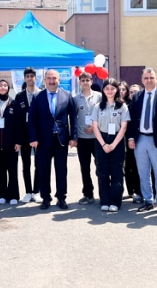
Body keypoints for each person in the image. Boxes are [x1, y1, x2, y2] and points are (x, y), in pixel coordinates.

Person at [28, 69, 78, 210]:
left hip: (61, 140)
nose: (51, 81)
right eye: (49, 78)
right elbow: (31, 119)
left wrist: (74, 137)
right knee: (43, 170)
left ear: (59, 80)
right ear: (45, 80)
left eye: (54, 78)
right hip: (43, 141)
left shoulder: (67, 96)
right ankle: (46, 198)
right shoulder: (38, 97)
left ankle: (61, 198)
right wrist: (33, 138)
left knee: (61, 170)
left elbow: (73, 118)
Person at [127, 68, 157, 214]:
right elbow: (132, 119)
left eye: (151, 78)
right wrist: (131, 137)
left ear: (156, 78)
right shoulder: (137, 96)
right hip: (140, 139)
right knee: (143, 172)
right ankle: (148, 200)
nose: (149, 80)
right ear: (142, 80)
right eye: (146, 78)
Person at [92, 78, 130, 212]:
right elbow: (95, 127)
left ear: (117, 90)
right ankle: (104, 201)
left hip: (117, 141)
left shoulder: (122, 106)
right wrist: (103, 144)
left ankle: (115, 201)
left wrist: (113, 144)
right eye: (107, 88)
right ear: (103, 90)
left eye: (112, 88)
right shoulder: (98, 106)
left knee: (117, 172)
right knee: (102, 172)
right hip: (101, 139)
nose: (110, 91)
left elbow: (124, 127)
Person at [0, 79, 22, 205]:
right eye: (0, 85)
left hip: (11, 144)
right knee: (0, 171)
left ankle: (14, 196)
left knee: (12, 171)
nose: (3, 87)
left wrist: (18, 141)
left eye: (5, 85)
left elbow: (19, 125)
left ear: (8, 88)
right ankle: (2, 195)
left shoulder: (14, 104)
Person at [73, 71, 102, 205]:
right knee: (85, 168)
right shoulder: (75, 99)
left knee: (101, 167)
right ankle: (88, 194)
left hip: (97, 138)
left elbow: (104, 114)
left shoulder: (100, 97)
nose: (85, 82)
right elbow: (73, 118)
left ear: (91, 81)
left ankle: (104, 193)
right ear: (80, 83)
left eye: (87, 80)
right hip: (82, 138)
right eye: (82, 80)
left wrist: (95, 127)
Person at [15, 67, 42, 203]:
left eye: (32, 76)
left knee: (39, 164)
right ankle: (28, 191)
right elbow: (18, 120)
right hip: (24, 135)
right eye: (27, 76)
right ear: (24, 79)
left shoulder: (42, 94)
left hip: (38, 135)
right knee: (26, 164)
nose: (30, 79)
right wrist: (18, 140)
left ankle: (36, 191)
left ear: (36, 78)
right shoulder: (19, 96)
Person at [122, 83, 142, 203]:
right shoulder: (125, 106)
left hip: (140, 139)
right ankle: (131, 191)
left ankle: (139, 191)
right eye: (131, 92)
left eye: (135, 92)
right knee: (128, 167)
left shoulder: (142, 105)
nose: (133, 94)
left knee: (138, 167)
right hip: (127, 140)